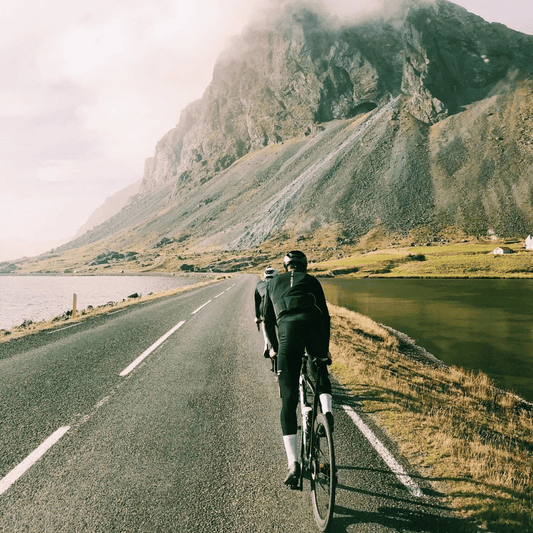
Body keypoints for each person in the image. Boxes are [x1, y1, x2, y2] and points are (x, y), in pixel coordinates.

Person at [263, 250, 333, 487]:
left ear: (285, 267)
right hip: (313, 327)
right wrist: (324, 350)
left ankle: (294, 463)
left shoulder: (272, 283)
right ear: (304, 265)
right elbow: (325, 316)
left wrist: (273, 348)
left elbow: (268, 321)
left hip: (287, 333)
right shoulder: (312, 280)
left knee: (289, 398)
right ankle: (328, 413)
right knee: (320, 368)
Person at [254, 267, 279, 361]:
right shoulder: (280, 283)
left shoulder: (259, 284)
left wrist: (257, 317)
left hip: (265, 309)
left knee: (267, 326)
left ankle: (268, 346)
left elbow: (257, 303)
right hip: (280, 308)